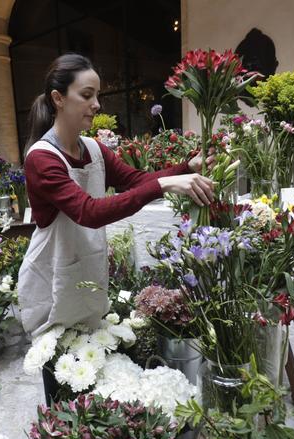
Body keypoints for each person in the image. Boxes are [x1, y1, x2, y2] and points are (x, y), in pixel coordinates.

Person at [17, 53, 215, 343]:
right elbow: (89, 212)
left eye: (97, 95)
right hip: (52, 276)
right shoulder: (42, 158)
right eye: (87, 95)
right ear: (58, 98)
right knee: (56, 364)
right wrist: (163, 185)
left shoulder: (94, 149)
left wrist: (187, 169)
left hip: (84, 271)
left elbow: (135, 180)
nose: (96, 104)